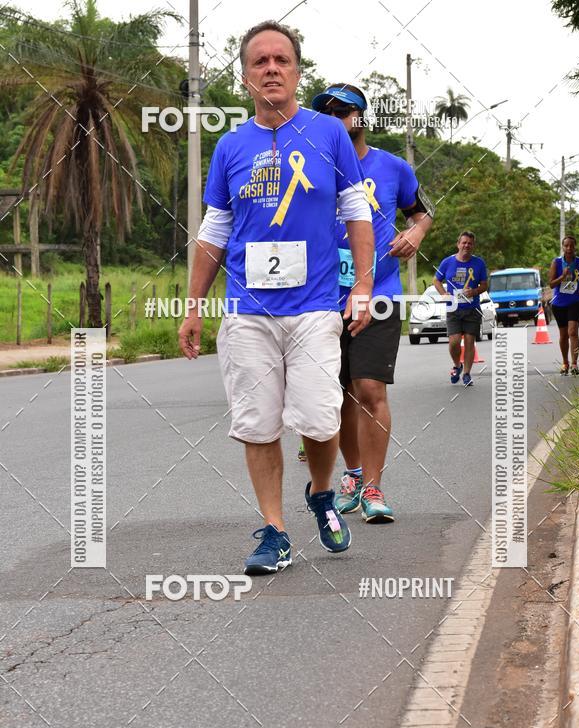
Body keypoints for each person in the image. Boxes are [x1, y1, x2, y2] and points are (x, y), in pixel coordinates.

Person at [178, 21, 374, 574]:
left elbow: (356, 211)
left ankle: (321, 492)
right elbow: (215, 229)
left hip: (314, 308)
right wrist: (193, 306)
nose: (270, 69)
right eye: (259, 61)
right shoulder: (230, 146)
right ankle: (275, 530)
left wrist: (362, 285)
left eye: (281, 60)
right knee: (258, 424)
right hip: (248, 312)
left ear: (296, 72)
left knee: (321, 419)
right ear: (245, 76)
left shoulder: (328, 134)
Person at [311, 83, 434, 523]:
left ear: (362, 116)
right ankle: (354, 473)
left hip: (379, 293)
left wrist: (415, 233)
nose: (337, 118)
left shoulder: (392, 167)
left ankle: (374, 487)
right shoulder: (311, 165)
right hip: (322, 298)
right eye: (327, 112)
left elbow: (422, 212)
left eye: (345, 110)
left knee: (370, 389)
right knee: (338, 394)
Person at [433, 232, 488, 387]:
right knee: (454, 342)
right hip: (453, 308)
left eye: (470, 243)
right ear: (458, 244)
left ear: (473, 246)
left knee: (470, 341)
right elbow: (436, 280)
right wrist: (444, 294)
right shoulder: (447, 262)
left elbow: (484, 285)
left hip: (472, 309)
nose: (466, 245)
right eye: (464, 242)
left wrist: (474, 291)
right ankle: (457, 365)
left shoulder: (479, 263)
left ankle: (467, 374)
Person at [548, 236, 579, 375]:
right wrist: (562, 276)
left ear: (575, 247)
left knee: (572, 332)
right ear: (562, 247)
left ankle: (574, 364)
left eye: (571, 245)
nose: (569, 248)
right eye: (566, 245)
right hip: (559, 303)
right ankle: (565, 362)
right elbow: (551, 284)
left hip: (576, 301)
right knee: (563, 335)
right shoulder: (556, 262)